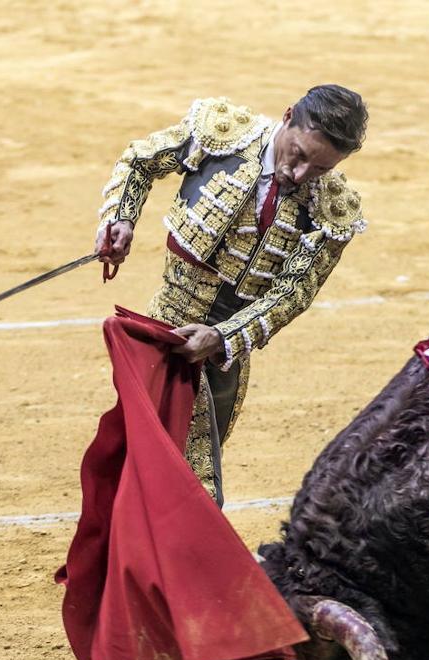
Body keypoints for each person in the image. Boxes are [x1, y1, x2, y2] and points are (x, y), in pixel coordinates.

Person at [93, 85, 368, 506]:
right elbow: (141, 160)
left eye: (318, 168)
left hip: (223, 351)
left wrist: (221, 337)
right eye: (298, 154)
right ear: (288, 115)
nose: (299, 174)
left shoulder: (333, 209)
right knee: (174, 472)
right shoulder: (220, 134)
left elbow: (291, 294)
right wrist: (121, 218)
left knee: (184, 472)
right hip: (162, 323)